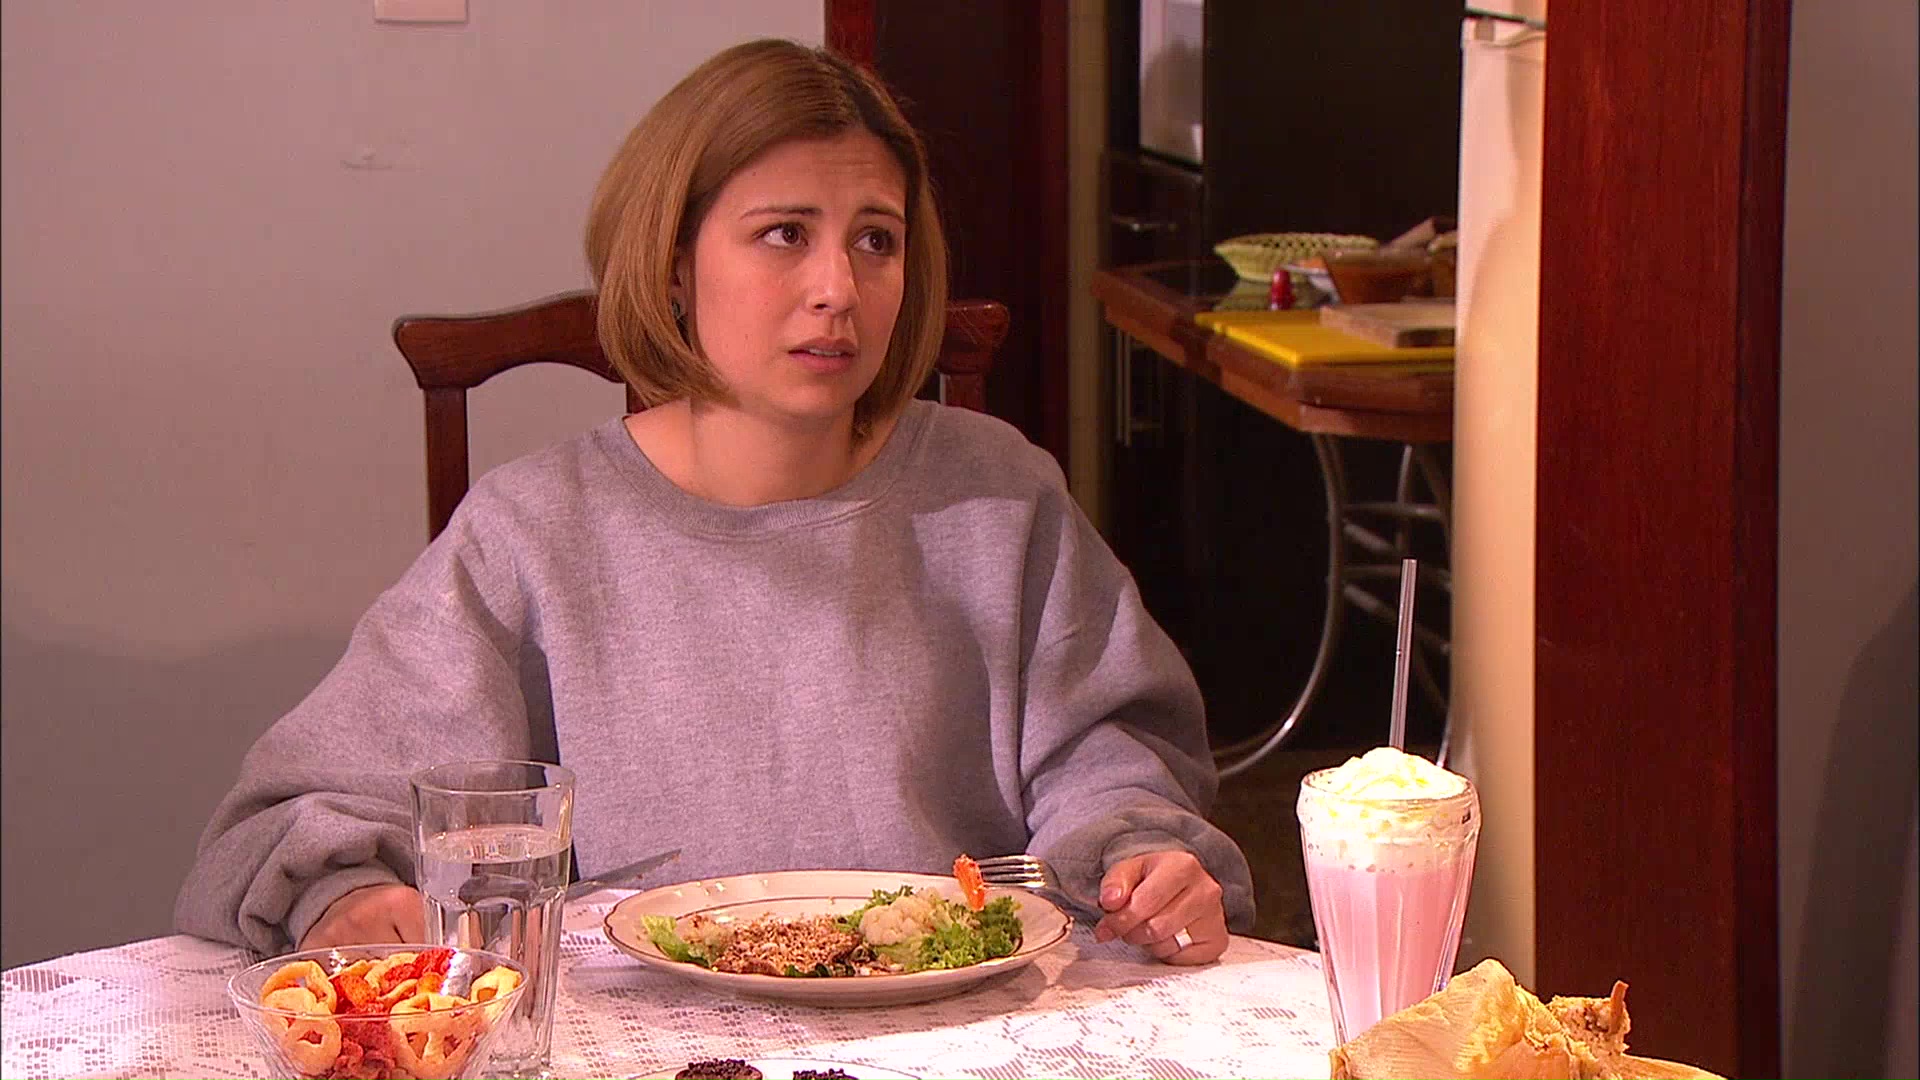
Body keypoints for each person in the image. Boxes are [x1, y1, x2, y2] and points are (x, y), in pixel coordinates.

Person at [174, 38, 1254, 966]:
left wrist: (1137, 852)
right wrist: (350, 896)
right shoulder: (534, 534)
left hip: (954, 1028)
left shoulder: (997, 494)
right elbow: (301, 817)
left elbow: (1109, 759)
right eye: (785, 233)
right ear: (674, 265)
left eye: (875, 239)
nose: (838, 288)